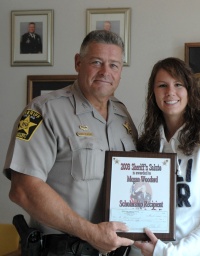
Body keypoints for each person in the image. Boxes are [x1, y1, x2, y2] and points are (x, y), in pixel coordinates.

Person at [4, 30, 138, 255]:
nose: (106, 72)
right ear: (78, 62)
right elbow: (23, 189)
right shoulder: (42, 111)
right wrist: (91, 233)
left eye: (114, 65)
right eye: (97, 62)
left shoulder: (123, 116)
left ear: (121, 71)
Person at [133, 57, 200, 255]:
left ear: (190, 91)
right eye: (162, 85)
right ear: (153, 93)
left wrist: (170, 252)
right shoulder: (146, 143)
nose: (170, 92)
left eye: (178, 84)